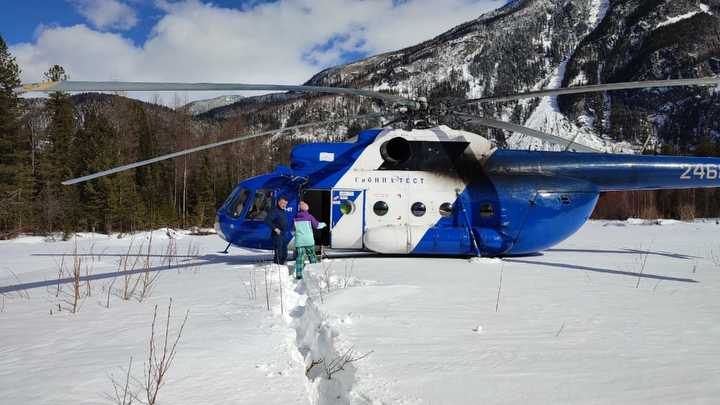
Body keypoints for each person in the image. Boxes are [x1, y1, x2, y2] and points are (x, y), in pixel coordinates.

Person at [292, 201, 325, 279]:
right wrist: (324, 224)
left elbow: (293, 229)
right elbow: (317, 226)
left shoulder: (295, 218)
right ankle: (315, 272)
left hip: (299, 241)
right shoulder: (310, 217)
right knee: (312, 256)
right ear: (306, 209)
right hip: (309, 240)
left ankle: (299, 275)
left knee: (300, 258)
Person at [265, 196, 289, 265]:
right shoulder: (275, 211)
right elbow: (267, 220)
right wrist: (275, 228)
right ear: (279, 202)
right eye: (283, 203)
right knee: (279, 253)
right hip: (277, 235)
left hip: (283, 235)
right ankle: (278, 266)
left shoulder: (282, 211)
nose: (284, 205)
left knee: (284, 253)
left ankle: (281, 266)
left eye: (285, 204)